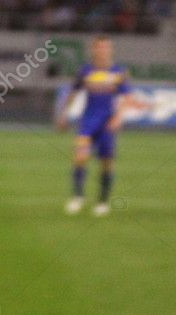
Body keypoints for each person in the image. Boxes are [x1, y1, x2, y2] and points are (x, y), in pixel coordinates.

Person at [56, 36, 131, 217]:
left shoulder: (118, 72)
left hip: (107, 123)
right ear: (94, 50)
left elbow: (126, 97)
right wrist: (63, 114)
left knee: (106, 163)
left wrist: (118, 118)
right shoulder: (85, 71)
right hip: (88, 121)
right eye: (100, 48)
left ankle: (102, 202)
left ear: (110, 50)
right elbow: (73, 92)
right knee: (80, 157)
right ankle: (78, 197)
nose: (103, 51)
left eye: (106, 48)